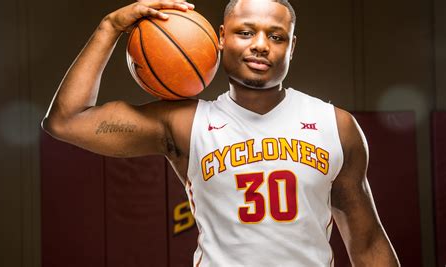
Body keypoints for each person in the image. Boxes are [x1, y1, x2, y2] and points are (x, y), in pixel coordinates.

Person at [42, 0, 400, 265]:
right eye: (246, 32)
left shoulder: (334, 125)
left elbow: (367, 243)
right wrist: (110, 26)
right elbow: (66, 121)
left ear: (291, 46)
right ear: (221, 38)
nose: (260, 44)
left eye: (276, 36)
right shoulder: (184, 123)